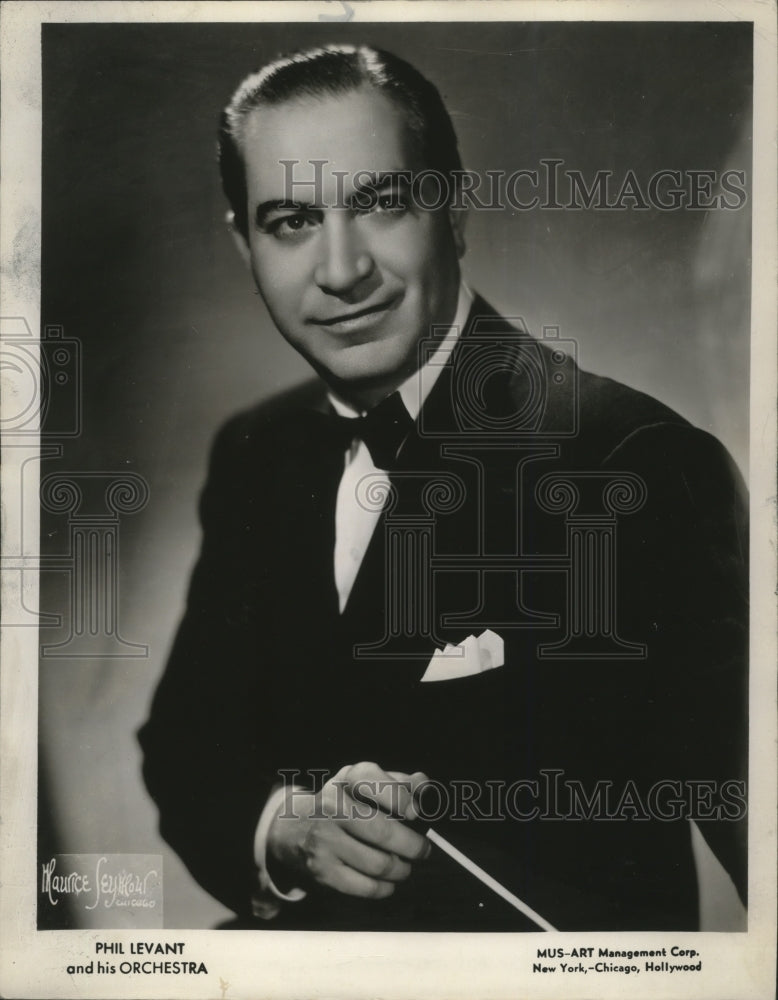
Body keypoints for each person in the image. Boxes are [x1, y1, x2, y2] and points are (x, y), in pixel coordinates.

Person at [138, 43, 748, 931]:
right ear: (244, 244)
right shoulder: (257, 451)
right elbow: (188, 749)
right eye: (290, 221)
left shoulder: (639, 464)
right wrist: (284, 831)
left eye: (381, 203)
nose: (342, 270)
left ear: (453, 208)